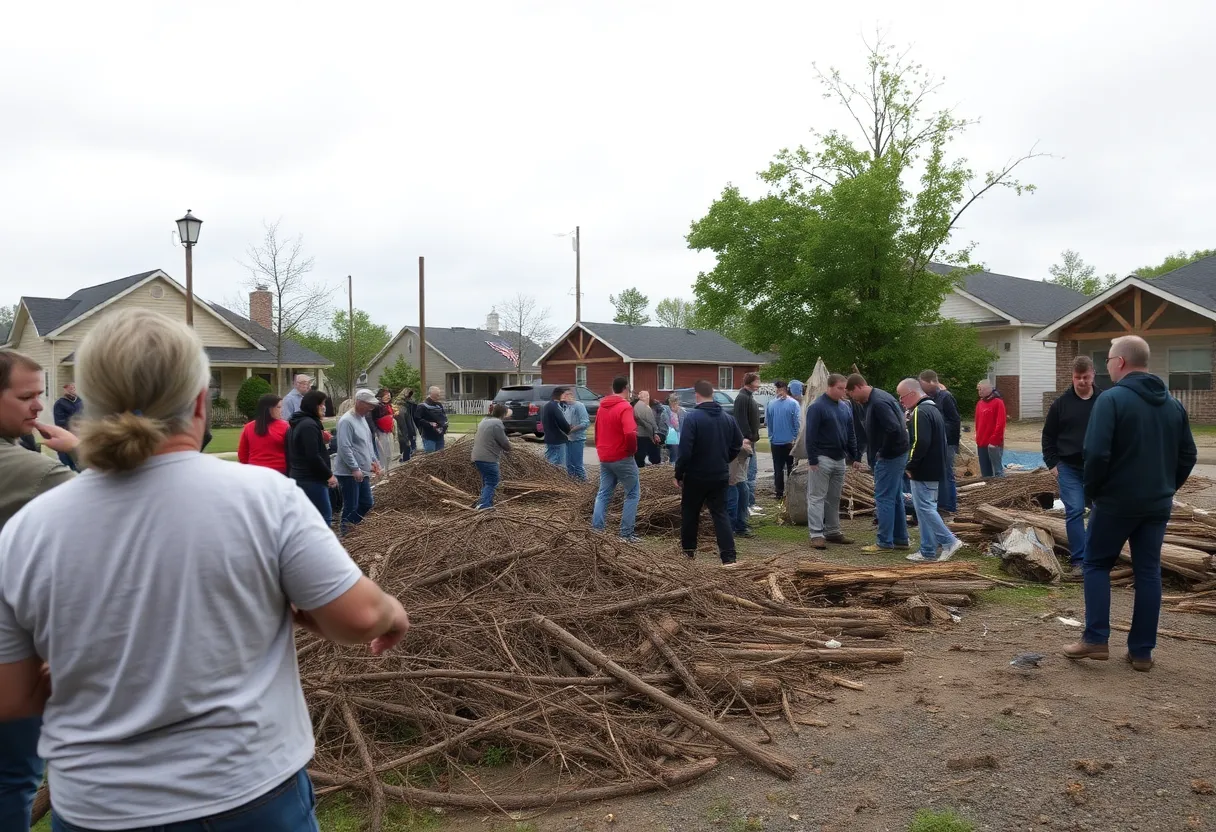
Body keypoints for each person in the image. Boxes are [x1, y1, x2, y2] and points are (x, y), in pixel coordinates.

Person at [0, 310, 410, 832]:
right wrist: (391, 613)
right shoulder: (261, 498)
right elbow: (355, 618)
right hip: (247, 794)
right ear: (199, 401)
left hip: (99, 808)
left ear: (89, 404)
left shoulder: (29, 529)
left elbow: (10, 696)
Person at [1064, 336, 1197, 672]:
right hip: (1156, 504)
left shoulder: (1111, 400)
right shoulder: (1172, 403)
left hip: (1116, 502)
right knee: (1149, 573)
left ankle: (1095, 639)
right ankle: (1141, 651)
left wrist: (1093, 492)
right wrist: (1167, 487)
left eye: (1108, 359)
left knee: (1096, 564)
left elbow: (1095, 453)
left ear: (1120, 362)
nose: (1106, 366)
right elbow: (1188, 455)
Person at [0, 350, 79, 830]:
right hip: (13, 653)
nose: (38, 406)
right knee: (14, 776)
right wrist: (79, 447)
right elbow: (124, 498)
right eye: (26, 396)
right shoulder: (32, 472)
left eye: (41, 394)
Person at [1043, 356, 1103, 578]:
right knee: (1075, 510)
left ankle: (1097, 555)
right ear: (1072, 377)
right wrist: (1052, 463)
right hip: (1068, 466)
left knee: (1101, 510)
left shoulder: (1104, 401)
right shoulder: (1061, 404)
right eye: (1078, 378)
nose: (1081, 382)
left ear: (1092, 375)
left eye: (1085, 377)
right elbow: (1048, 435)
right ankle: (1079, 560)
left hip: (1097, 467)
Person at [675, 380, 744, 566]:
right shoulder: (728, 418)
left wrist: (678, 473)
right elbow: (738, 443)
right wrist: (725, 458)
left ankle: (688, 553)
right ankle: (729, 556)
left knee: (690, 513)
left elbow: (685, 451)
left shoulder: (692, 418)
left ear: (697, 395)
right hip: (719, 473)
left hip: (696, 475)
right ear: (712, 394)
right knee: (720, 514)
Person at [898, 378, 963, 563]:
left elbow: (921, 441)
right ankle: (927, 550)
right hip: (934, 468)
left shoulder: (920, 411)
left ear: (911, 394)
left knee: (925, 509)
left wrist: (911, 465)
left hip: (924, 469)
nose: (901, 402)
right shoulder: (933, 408)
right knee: (925, 508)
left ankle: (949, 541)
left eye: (902, 397)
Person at [846, 375, 910, 553]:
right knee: (895, 497)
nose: (853, 399)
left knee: (884, 498)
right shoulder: (877, 398)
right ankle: (900, 538)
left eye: (852, 394)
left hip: (890, 457)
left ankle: (884, 541)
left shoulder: (878, 403)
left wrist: (883, 452)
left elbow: (893, 429)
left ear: (858, 387)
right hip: (897, 454)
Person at [804, 374, 859, 550]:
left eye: (844, 389)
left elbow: (850, 432)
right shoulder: (817, 407)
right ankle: (816, 533)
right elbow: (810, 434)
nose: (843, 392)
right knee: (817, 496)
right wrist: (812, 458)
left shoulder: (845, 407)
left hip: (839, 458)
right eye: (840, 388)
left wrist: (854, 455)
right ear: (830, 387)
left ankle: (833, 531)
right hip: (822, 457)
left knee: (834, 497)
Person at [593, 377, 641, 543]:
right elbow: (630, 433)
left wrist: (601, 450)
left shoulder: (602, 408)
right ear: (626, 388)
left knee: (603, 493)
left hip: (605, 456)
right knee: (632, 494)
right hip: (622, 456)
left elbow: (597, 431)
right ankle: (626, 534)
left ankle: (597, 530)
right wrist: (632, 450)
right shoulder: (624, 407)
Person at [334, 389, 383, 535]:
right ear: (359, 402)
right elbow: (344, 447)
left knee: (367, 502)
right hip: (349, 473)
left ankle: (353, 526)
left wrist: (374, 461)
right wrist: (354, 468)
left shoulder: (362, 419)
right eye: (369, 405)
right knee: (351, 505)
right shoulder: (346, 421)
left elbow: (367, 443)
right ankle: (346, 532)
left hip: (363, 470)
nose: (371, 408)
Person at [287, 389, 338, 525]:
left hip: (300, 477)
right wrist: (328, 475)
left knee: (307, 520)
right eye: (320, 404)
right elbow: (313, 456)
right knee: (323, 517)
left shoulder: (298, 422)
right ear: (312, 406)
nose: (324, 407)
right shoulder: (308, 425)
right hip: (311, 480)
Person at [918, 370, 960, 517]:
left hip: (947, 442)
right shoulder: (929, 398)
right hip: (937, 442)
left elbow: (955, 421)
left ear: (932, 382)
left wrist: (939, 432)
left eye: (922, 384)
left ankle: (948, 506)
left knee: (946, 473)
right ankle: (940, 503)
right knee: (939, 473)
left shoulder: (945, 397)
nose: (920, 387)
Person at [732, 372, 762, 514]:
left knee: (752, 472)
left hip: (752, 441)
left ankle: (750, 503)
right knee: (747, 474)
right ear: (750, 382)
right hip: (746, 443)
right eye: (757, 381)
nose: (759, 384)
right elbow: (740, 419)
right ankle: (748, 505)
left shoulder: (749, 397)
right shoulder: (742, 398)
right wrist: (748, 437)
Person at [472, 404, 512, 508]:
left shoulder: (484, 421)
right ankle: (484, 506)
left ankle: (482, 502)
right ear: (503, 414)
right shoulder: (497, 424)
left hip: (477, 457)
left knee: (487, 481)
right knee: (492, 481)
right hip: (488, 458)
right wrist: (509, 447)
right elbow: (504, 443)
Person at [238, 393, 289, 474]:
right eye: (278, 407)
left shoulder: (248, 427)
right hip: (279, 472)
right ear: (269, 409)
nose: (281, 410)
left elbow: (242, 455)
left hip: (255, 471)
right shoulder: (285, 426)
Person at [765, 381, 800, 500]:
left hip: (776, 441)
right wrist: (796, 437)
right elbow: (796, 422)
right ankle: (791, 492)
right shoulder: (794, 404)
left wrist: (771, 436)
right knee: (791, 467)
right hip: (790, 441)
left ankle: (779, 493)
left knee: (778, 468)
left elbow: (768, 422)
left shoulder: (771, 404)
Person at [974, 381, 1007, 478]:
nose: (979, 392)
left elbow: (1000, 423)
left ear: (989, 389)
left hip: (993, 444)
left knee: (997, 471)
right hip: (981, 442)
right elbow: (977, 422)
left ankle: (1000, 490)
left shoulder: (998, 402)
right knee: (985, 472)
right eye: (978, 390)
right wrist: (977, 437)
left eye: (981, 389)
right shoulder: (980, 403)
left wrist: (994, 440)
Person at [52, 382, 83, 472]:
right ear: (65, 389)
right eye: (70, 388)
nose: (72, 389)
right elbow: (59, 422)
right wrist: (73, 425)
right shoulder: (60, 404)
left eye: (74, 387)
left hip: (80, 436)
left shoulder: (80, 401)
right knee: (67, 461)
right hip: (66, 435)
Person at [725, 438, 754, 538]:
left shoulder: (747, 451)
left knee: (743, 502)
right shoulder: (737, 450)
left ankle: (741, 526)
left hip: (741, 479)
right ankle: (730, 529)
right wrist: (731, 479)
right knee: (733, 504)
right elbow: (732, 466)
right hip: (732, 480)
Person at [562, 388, 590, 481]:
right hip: (567, 439)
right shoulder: (565, 407)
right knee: (568, 464)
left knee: (577, 464)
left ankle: (583, 483)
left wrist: (572, 430)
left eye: (566, 395)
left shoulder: (579, 406)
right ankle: (572, 484)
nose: (564, 398)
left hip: (577, 439)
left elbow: (585, 423)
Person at [541, 386, 570, 467]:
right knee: (558, 466)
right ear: (560, 395)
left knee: (549, 462)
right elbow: (561, 421)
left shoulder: (547, 405)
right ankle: (553, 479)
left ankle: (547, 478)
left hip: (549, 437)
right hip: (558, 439)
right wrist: (568, 430)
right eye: (564, 394)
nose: (565, 396)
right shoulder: (555, 406)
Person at [370, 388, 397, 473]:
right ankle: (382, 471)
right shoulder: (376, 406)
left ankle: (388, 470)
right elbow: (372, 419)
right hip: (380, 432)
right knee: (382, 453)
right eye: (386, 395)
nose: (388, 397)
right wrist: (375, 432)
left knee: (389, 452)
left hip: (388, 431)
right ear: (381, 396)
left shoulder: (388, 405)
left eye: (389, 396)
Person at [415, 387, 448, 453]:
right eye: (437, 394)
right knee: (430, 458)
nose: (439, 396)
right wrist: (429, 424)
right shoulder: (422, 406)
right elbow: (417, 420)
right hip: (429, 437)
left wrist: (445, 425)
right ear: (431, 394)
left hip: (440, 436)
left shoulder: (439, 405)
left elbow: (444, 417)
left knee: (440, 457)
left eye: (439, 394)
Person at [633, 391, 662, 467]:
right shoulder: (645, 407)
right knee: (654, 456)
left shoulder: (637, 405)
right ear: (644, 397)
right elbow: (652, 422)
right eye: (647, 396)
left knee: (639, 456)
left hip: (639, 434)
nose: (648, 398)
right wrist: (655, 433)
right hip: (646, 434)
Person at [396, 388, 418, 463]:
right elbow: (402, 425)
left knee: (409, 452)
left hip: (410, 431)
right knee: (406, 453)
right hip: (405, 434)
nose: (410, 397)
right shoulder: (401, 407)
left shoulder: (409, 405)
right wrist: (406, 437)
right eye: (409, 395)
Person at [663, 393, 685, 465]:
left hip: (679, 436)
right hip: (672, 436)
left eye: (676, 403)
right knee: (674, 453)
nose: (674, 405)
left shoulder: (682, 412)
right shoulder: (666, 411)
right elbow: (664, 423)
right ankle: (673, 466)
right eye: (672, 402)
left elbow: (684, 424)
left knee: (679, 454)